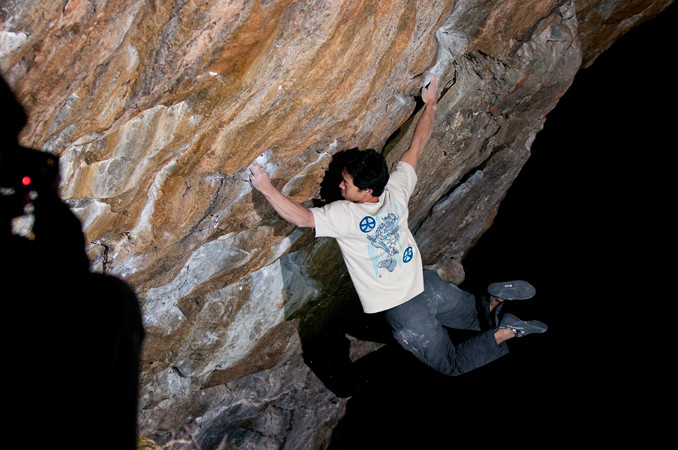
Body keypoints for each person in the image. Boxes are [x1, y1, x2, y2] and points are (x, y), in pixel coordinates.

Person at [248, 74, 546, 377]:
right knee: (478, 316)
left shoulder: (345, 215)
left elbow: (302, 218)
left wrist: (266, 188)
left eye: (347, 184)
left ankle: (507, 331)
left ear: (367, 191)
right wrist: (431, 104)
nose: (340, 186)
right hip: (427, 285)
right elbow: (416, 146)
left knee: (452, 364)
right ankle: (496, 301)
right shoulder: (395, 191)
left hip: (405, 309)